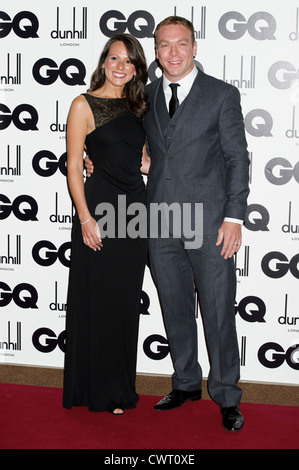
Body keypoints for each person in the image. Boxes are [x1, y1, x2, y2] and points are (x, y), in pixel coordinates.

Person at [85, 16, 249, 431]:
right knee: (174, 308)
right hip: (158, 220)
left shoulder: (222, 95)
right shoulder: (145, 96)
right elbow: (126, 146)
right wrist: (96, 160)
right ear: (155, 54)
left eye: (181, 44)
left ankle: (227, 395)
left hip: (210, 222)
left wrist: (233, 217)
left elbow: (237, 159)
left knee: (216, 311)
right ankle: (186, 382)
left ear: (194, 48)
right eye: (164, 45)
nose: (172, 52)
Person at [63, 33, 150, 415]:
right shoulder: (83, 104)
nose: (120, 67)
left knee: (123, 304)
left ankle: (119, 388)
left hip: (134, 215)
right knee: (97, 300)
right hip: (99, 211)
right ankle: (96, 390)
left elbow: (144, 162)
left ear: (135, 69)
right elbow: (73, 168)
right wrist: (85, 218)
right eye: (114, 59)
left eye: (128, 62)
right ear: (103, 62)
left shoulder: (138, 107)